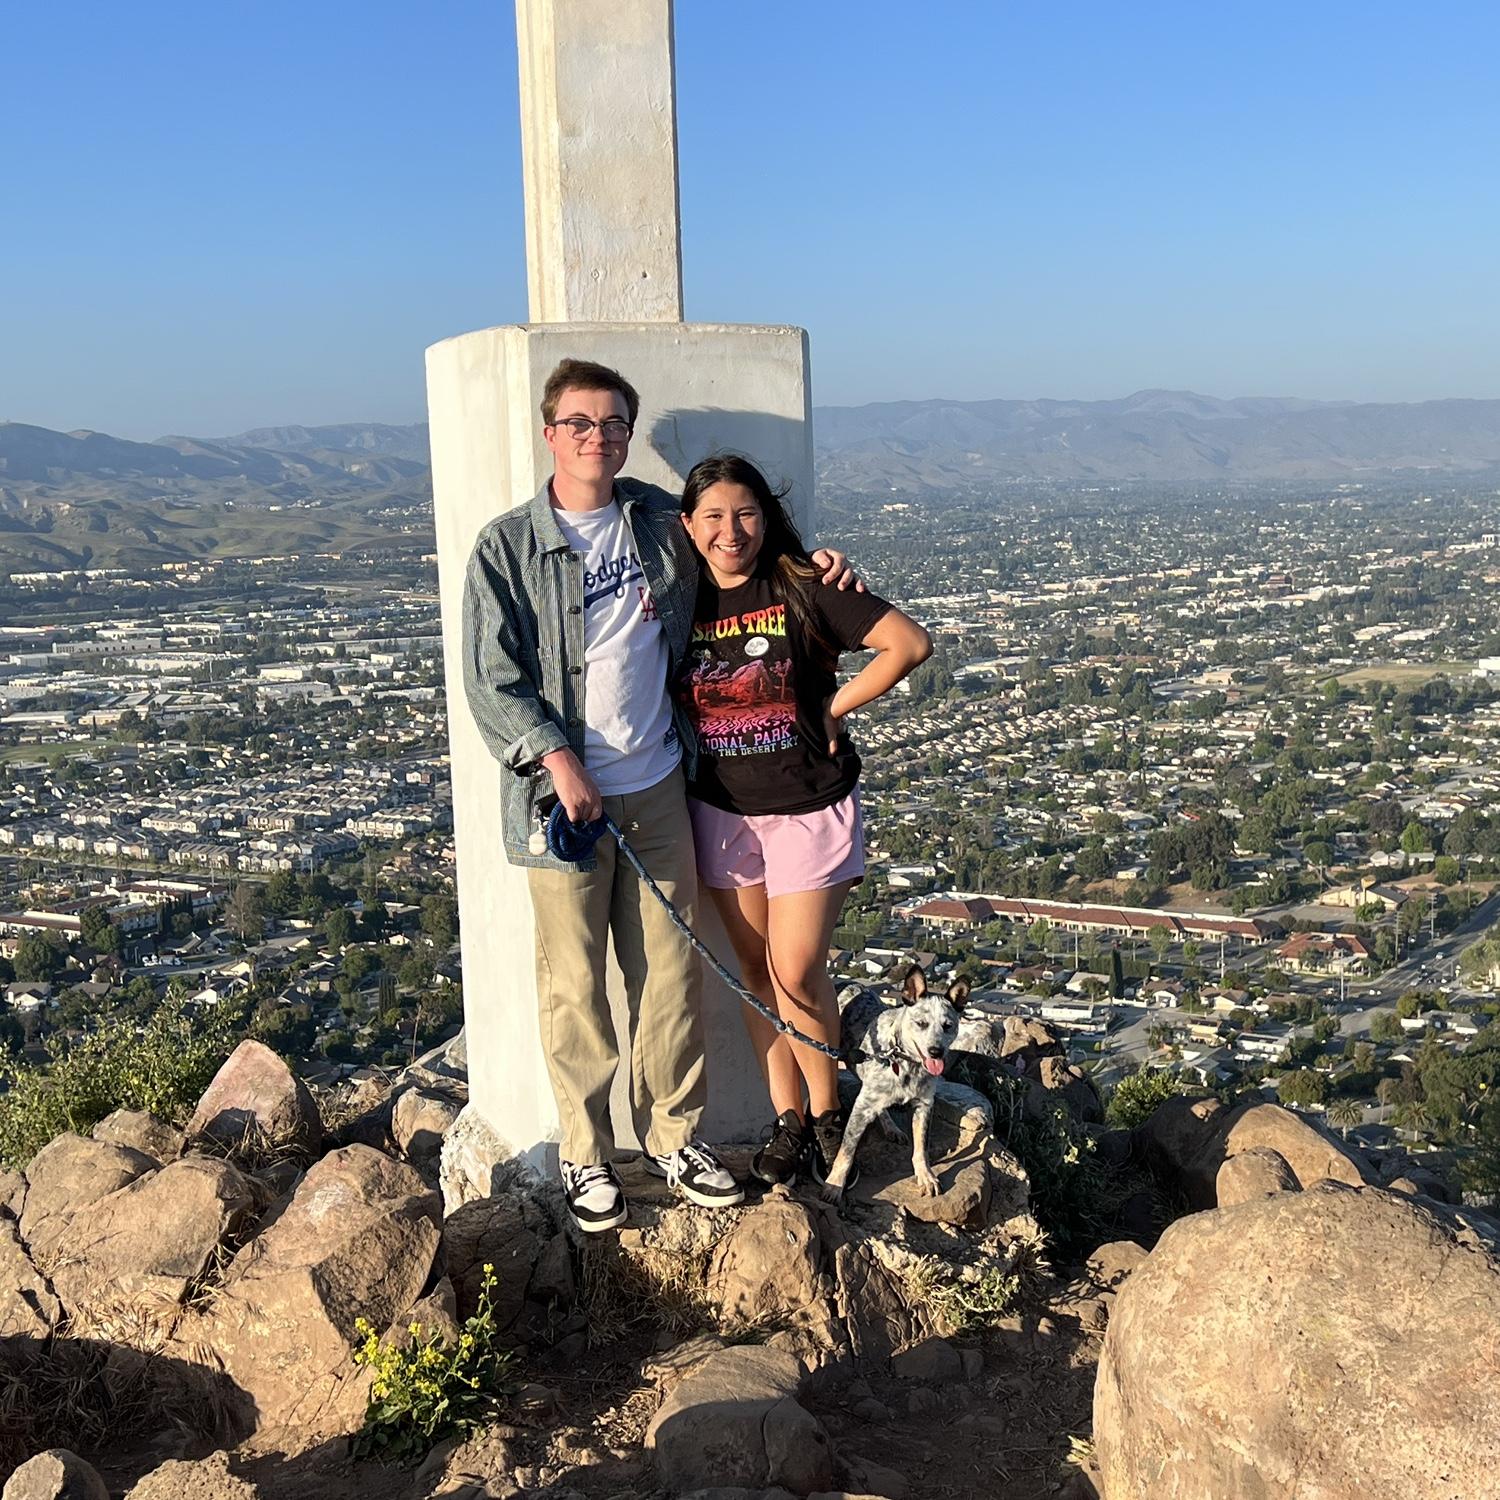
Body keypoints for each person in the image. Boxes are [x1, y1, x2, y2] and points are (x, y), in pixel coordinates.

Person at [461, 359, 857, 1233]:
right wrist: (556, 760)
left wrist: (816, 565)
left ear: (627, 436)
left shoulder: (653, 520)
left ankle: (674, 1139)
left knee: (673, 976)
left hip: (658, 786)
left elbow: (736, 548)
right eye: (579, 424)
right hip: (560, 804)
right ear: (548, 431)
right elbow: (491, 680)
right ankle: (586, 1157)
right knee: (576, 986)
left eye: (611, 425)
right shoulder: (507, 548)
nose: (595, 438)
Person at [675, 454, 932, 1186]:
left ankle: (826, 1112)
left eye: (746, 513)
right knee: (755, 976)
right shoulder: (678, 600)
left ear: (768, 515)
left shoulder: (802, 583)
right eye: (714, 516)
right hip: (721, 810)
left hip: (807, 808)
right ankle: (787, 1119)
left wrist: (831, 706)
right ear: (688, 525)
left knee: (796, 971)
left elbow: (907, 644)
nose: (732, 531)